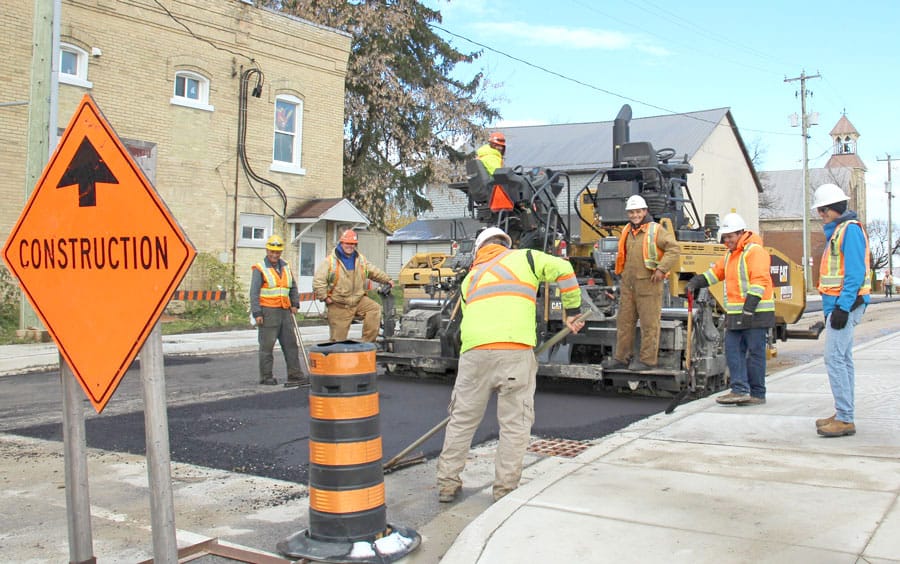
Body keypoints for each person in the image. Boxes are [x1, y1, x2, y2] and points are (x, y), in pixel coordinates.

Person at [436, 227, 584, 504]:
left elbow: (471, 319)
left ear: (479, 250)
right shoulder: (527, 258)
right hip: (515, 352)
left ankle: (447, 483)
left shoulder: (470, 280)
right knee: (514, 424)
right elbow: (564, 269)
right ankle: (504, 490)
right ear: (506, 244)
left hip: (474, 354)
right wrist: (572, 311)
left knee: (461, 421)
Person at [685, 213, 773, 406]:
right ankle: (740, 389)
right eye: (725, 237)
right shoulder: (730, 255)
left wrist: (749, 308)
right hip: (736, 313)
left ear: (741, 233)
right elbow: (716, 273)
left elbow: (759, 281)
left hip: (755, 313)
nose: (727, 241)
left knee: (754, 352)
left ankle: (757, 393)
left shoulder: (755, 252)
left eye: (730, 236)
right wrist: (696, 281)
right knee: (733, 350)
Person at [812, 183, 870, 437]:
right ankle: (844, 412)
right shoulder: (838, 231)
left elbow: (855, 273)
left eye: (823, 210)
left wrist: (843, 308)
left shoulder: (849, 231)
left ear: (834, 209)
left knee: (834, 358)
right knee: (843, 359)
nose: (821, 215)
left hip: (844, 305)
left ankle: (845, 418)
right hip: (838, 305)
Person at [605, 194, 680, 372]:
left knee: (649, 324)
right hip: (628, 284)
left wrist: (662, 269)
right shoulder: (627, 230)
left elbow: (674, 248)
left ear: (645, 211)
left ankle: (647, 361)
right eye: (631, 212)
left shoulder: (656, 230)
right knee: (624, 322)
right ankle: (622, 358)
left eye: (638, 211)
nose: (635, 215)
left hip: (649, 283)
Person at [312, 229, 393, 342]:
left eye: (353, 244)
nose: (350, 246)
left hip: (358, 300)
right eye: (348, 243)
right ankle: (337, 356)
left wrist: (387, 279)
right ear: (341, 243)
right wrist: (325, 297)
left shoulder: (360, 259)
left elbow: (373, 271)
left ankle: (367, 345)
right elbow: (318, 281)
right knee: (338, 342)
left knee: (374, 309)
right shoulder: (330, 261)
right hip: (339, 304)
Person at [250, 234, 305, 386]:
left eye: (277, 252)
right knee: (267, 346)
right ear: (267, 250)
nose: (274, 254)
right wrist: (257, 313)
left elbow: (292, 286)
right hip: (268, 312)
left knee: (290, 344)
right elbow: (254, 292)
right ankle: (266, 376)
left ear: (280, 252)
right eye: (272, 251)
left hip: (285, 311)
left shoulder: (285, 266)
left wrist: (295, 303)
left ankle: (295, 374)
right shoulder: (260, 268)